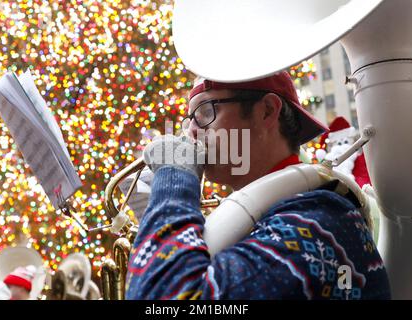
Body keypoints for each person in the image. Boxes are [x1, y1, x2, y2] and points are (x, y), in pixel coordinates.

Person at [125, 72, 391, 300]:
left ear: (267, 110)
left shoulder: (320, 220)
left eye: (206, 112)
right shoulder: (283, 213)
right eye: (189, 119)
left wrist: (172, 181)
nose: (190, 131)